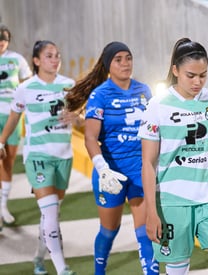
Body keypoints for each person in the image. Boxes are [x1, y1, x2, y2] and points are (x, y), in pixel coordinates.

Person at [139, 37, 208, 275]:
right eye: (190, 75)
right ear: (175, 70)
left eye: (203, 75)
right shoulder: (157, 106)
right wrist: (151, 212)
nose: (198, 82)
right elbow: (148, 163)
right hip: (172, 202)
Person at [65, 41, 159, 275]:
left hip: (139, 169)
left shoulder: (144, 91)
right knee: (109, 229)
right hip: (110, 173)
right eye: (118, 59)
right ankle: (99, 271)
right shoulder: (99, 95)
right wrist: (102, 169)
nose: (125, 64)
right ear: (108, 65)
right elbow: (90, 138)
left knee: (145, 231)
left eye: (128, 58)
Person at [0, 40, 78, 275]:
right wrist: (1, 141)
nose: (55, 60)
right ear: (36, 61)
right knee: (51, 212)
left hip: (64, 157)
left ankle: (38, 259)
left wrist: (77, 117)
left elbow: (81, 115)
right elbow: (14, 118)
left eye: (57, 55)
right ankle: (62, 268)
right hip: (37, 157)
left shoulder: (69, 85)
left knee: (50, 215)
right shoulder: (25, 88)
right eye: (49, 56)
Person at [0, 24, 32, 227]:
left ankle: (3, 205)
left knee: (8, 160)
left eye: (3, 42)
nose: (0, 45)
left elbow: (28, 83)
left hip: (13, 116)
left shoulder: (17, 59)